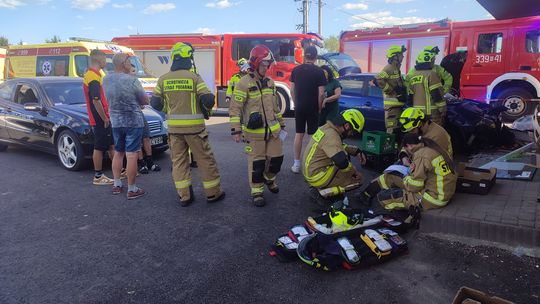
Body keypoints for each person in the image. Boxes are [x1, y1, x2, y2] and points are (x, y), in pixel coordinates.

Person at [151, 42, 225, 206]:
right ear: (187, 57)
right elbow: (208, 99)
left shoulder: (163, 79)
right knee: (205, 161)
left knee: (179, 162)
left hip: (174, 130)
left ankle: (185, 196)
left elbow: (155, 103)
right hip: (195, 130)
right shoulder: (194, 78)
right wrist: (205, 107)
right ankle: (213, 194)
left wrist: (169, 109)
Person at [229, 45, 285, 207]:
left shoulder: (270, 82)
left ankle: (269, 179)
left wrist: (281, 124)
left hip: (273, 131)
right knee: (257, 163)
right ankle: (257, 191)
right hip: (254, 133)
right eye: (263, 64)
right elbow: (235, 108)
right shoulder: (243, 83)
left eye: (267, 65)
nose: (266, 68)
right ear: (256, 63)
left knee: (276, 159)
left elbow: (275, 107)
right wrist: (236, 130)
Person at [361, 107, 453, 201]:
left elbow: (423, 159)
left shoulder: (436, 136)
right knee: (393, 170)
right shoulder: (421, 130)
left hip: (430, 178)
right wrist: (404, 157)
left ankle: (368, 195)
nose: (411, 133)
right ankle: (368, 193)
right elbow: (408, 146)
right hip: (424, 169)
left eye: (412, 130)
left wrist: (409, 172)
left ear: (420, 124)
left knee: (391, 176)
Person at [103, 53, 148, 200]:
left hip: (116, 121)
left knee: (118, 152)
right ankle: (132, 189)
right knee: (132, 154)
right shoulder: (132, 80)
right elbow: (144, 99)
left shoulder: (106, 79)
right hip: (133, 121)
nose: (130, 64)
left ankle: (117, 185)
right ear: (123, 63)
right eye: (129, 61)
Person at [374, 133, 457, 212]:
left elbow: (415, 186)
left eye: (407, 151)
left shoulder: (421, 155)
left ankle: (393, 217)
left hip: (432, 198)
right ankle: (367, 194)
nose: (410, 155)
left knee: (385, 198)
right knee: (389, 177)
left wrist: (407, 176)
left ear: (409, 146)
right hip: (443, 193)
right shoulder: (433, 147)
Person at [303, 109, 367, 205]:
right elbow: (342, 163)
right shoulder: (332, 136)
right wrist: (354, 173)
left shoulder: (326, 128)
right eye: (352, 132)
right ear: (347, 126)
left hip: (310, 171)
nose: (351, 135)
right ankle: (322, 193)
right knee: (358, 180)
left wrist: (356, 151)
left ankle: (322, 187)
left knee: (342, 157)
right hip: (317, 176)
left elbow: (338, 146)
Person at [290, 45, 327, 174]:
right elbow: (321, 93)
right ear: (316, 57)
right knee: (312, 136)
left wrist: (296, 103)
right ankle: (310, 163)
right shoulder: (319, 72)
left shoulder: (296, 70)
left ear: (304, 55)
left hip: (299, 107)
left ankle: (296, 164)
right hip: (313, 107)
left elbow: (291, 90)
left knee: (299, 135)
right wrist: (319, 107)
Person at [83, 49, 114, 186]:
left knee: (111, 144)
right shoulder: (92, 76)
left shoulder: (95, 74)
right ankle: (98, 176)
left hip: (102, 117)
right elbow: (96, 100)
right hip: (99, 118)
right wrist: (104, 118)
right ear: (99, 60)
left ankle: (118, 170)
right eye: (104, 59)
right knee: (99, 147)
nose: (105, 62)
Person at [127, 63, 161, 174]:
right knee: (137, 140)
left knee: (146, 137)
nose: (135, 73)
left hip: (140, 113)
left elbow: (143, 102)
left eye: (135, 71)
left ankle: (150, 161)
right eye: (132, 71)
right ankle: (141, 163)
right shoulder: (125, 84)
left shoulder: (136, 84)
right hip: (130, 116)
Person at [405, 51, 446, 126]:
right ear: (428, 62)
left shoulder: (413, 76)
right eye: (432, 61)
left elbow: (410, 96)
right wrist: (442, 110)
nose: (433, 63)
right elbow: (437, 94)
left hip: (417, 114)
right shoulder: (431, 74)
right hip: (432, 115)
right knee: (433, 135)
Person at [375, 45, 407, 134]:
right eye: (401, 54)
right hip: (392, 107)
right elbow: (378, 79)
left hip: (397, 105)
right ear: (394, 56)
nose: (403, 56)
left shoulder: (396, 68)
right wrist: (390, 90)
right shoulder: (388, 68)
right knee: (392, 130)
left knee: (397, 130)